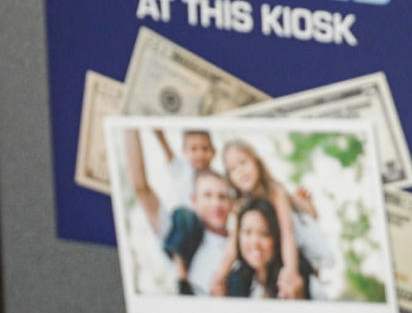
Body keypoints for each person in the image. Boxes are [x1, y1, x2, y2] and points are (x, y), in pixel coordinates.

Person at [210, 140, 333, 298]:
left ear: (256, 161)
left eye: (243, 163)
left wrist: (290, 271)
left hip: (297, 241)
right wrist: (220, 274)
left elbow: (287, 233)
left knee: (299, 280)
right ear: (230, 178)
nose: (240, 171)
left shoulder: (274, 191)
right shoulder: (240, 204)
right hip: (277, 249)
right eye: (233, 169)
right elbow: (233, 245)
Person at [124, 128, 232, 295]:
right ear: (195, 200)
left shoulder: (241, 242)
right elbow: (141, 187)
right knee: (184, 215)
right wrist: (131, 126)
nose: (215, 203)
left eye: (222, 197)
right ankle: (181, 275)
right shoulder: (183, 231)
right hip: (184, 233)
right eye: (208, 196)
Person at [226, 198, 316, 299]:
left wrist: (297, 296)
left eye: (264, 233)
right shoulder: (236, 279)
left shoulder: (296, 273)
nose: (255, 242)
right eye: (247, 232)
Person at [154, 129, 216, 208]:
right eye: (194, 149)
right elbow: (163, 141)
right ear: (184, 151)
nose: (200, 154)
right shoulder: (180, 169)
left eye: (205, 148)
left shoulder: (217, 179)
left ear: (214, 152)